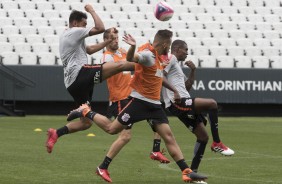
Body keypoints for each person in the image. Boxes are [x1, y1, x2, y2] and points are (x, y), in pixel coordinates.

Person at [67, 29, 207, 183]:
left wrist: (173, 89)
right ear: (166, 44)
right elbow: (131, 57)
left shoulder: (160, 58)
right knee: (112, 129)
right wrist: (133, 46)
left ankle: (186, 171)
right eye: (170, 44)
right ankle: (86, 111)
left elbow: (158, 77)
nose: (170, 47)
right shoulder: (148, 55)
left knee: (169, 137)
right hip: (139, 103)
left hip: (154, 105)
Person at [45, 5, 135, 154]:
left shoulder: (69, 36)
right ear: (75, 23)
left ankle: (56, 133)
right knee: (119, 65)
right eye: (84, 24)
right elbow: (100, 27)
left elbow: (90, 50)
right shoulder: (73, 32)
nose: (85, 28)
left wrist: (107, 42)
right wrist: (91, 10)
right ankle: (146, 66)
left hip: (73, 84)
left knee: (86, 123)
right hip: (80, 74)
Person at [96, 28, 170, 182]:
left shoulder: (122, 50)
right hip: (120, 99)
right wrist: (149, 63)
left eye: (117, 38)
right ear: (107, 41)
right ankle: (103, 166)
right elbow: (128, 64)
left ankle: (155, 150)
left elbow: (136, 57)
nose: (116, 40)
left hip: (134, 97)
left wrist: (153, 55)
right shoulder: (107, 58)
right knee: (124, 135)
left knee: (158, 121)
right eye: (113, 38)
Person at [162, 39, 234, 173]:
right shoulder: (171, 58)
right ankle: (217, 143)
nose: (187, 53)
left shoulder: (176, 65)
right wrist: (175, 91)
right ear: (177, 49)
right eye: (186, 50)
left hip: (183, 100)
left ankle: (193, 173)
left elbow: (187, 87)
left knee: (203, 137)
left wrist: (193, 71)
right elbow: (160, 76)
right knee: (212, 104)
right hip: (177, 102)